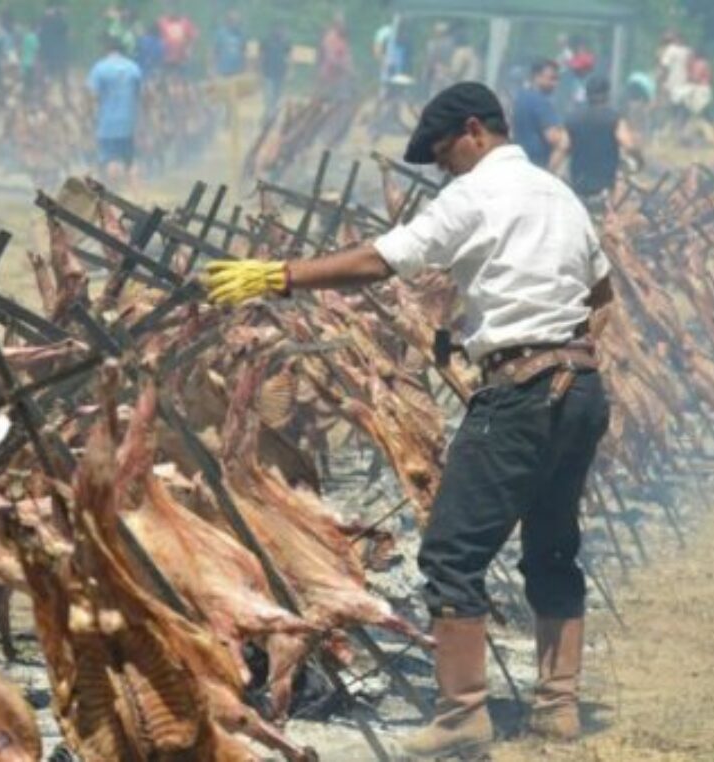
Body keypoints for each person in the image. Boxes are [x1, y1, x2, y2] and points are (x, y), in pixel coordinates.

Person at [202, 81, 612, 760]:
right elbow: (600, 293)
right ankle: (559, 709)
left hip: (520, 393)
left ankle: (462, 715)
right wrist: (545, 339)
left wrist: (279, 276)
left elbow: (380, 260)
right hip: (582, 386)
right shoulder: (557, 193)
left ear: (474, 131)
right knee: (552, 545)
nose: (443, 166)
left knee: (451, 552)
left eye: (445, 151)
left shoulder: (476, 193)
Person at [566, 76, 639, 204]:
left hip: (578, 182)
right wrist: (640, 160)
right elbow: (628, 145)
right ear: (607, 94)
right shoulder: (614, 119)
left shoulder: (573, 118)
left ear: (587, 94)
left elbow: (562, 147)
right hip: (605, 184)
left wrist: (550, 172)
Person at [87, 34, 143, 186]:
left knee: (109, 160)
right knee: (130, 161)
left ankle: (113, 194)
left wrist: (91, 117)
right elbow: (139, 96)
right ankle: (138, 196)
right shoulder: (133, 67)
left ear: (106, 49)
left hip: (107, 122)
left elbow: (92, 96)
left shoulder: (99, 68)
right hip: (128, 122)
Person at [513, 59, 569, 171]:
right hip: (537, 165)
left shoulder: (520, 97)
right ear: (537, 76)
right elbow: (557, 140)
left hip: (518, 163)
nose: (555, 84)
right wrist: (549, 173)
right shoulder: (541, 102)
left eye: (557, 79)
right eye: (552, 79)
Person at [657, 30, 692, 135]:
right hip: (685, 85)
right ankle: (678, 131)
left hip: (672, 84)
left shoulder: (670, 50)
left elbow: (664, 67)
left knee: (670, 109)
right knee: (682, 110)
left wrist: (661, 82)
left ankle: (669, 131)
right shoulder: (688, 51)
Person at [317, 13, 354, 102]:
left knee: (343, 100)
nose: (343, 25)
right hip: (330, 75)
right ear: (335, 24)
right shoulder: (330, 38)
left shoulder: (343, 39)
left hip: (342, 76)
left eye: (343, 23)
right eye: (340, 23)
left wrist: (351, 69)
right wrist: (343, 67)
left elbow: (347, 56)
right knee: (327, 102)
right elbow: (330, 57)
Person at [38, 0, 69, 102]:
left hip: (47, 53)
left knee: (50, 75)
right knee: (60, 76)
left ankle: (46, 97)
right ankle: (64, 98)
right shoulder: (59, 20)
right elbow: (67, 34)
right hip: (57, 53)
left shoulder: (43, 21)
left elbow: (39, 35)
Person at [259, 23, 291, 122]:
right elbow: (261, 56)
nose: (279, 31)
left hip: (280, 74)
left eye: (281, 29)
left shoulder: (285, 43)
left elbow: (289, 58)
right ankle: (268, 118)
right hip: (268, 73)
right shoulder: (266, 41)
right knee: (268, 98)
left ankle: (272, 118)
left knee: (277, 98)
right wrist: (259, 71)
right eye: (277, 28)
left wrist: (289, 72)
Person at [157, 0, 197, 78]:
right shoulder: (161, 22)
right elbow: (155, 39)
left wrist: (190, 48)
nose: (172, 8)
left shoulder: (185, 21)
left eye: (174, 4)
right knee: (168, 81)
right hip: (166, 60)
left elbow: (193, 36)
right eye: (169, 5)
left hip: (182, 59)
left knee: (180, 82)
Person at [424, 21, 454, 97]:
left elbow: (430, 59)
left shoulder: (434, 44)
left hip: (443, 71)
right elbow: (430, 59)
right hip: (441, 71)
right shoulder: (433, 44)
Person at [213, 10, 246, 78]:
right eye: (234, 20)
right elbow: (215, 51)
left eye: (238, 21)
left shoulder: (240, 34)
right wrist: (212, 69)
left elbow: (243, 51)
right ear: (228, 21)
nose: (236, 23)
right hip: (224, 70)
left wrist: (244, 67)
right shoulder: (221, 33)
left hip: (237, 70)